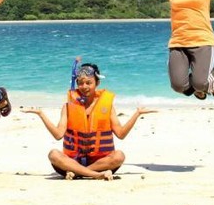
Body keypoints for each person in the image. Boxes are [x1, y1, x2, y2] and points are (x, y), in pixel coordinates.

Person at [24, 60, 156, 180]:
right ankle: (95, 175)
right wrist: (41, 114)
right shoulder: (68, 107)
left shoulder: (107, 107)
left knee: (119, 156)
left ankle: (79, 173)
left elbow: (121, 134)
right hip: (73, 160)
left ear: (97, 83)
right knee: (53, 154)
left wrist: (137, 114)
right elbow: (58, 135)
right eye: (80, 83)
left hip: (99, 162)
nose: (84, 86)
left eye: (89, 83)